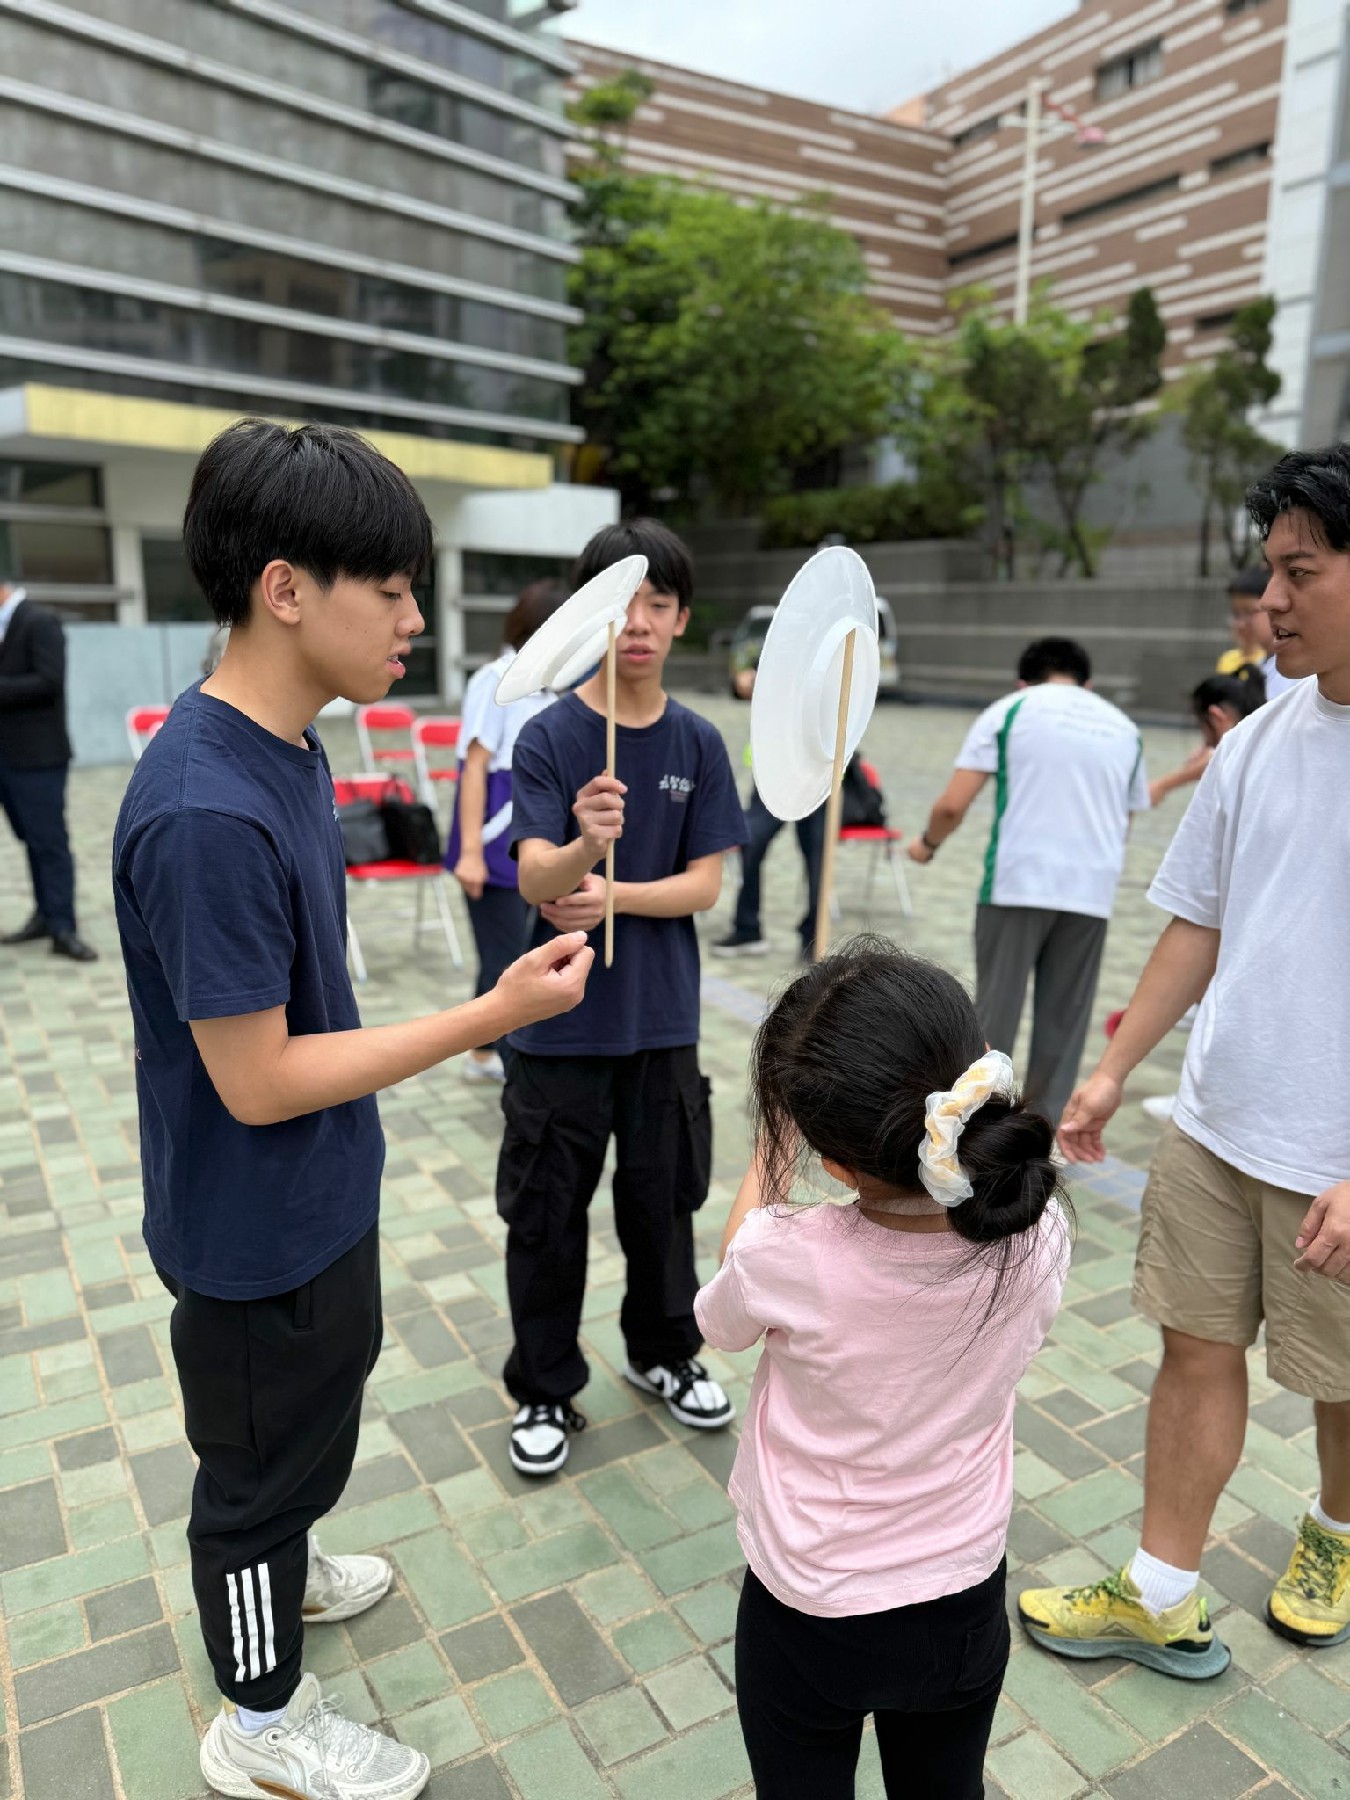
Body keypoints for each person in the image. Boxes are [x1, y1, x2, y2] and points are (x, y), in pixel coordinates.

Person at [113, 420, 592, 1800]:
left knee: (314, 1417)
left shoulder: (290, 748)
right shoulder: (205, 808)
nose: (413, 618)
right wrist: (491, 1015)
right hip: (248, 1228)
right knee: (251, 1477)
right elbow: (256, 1079)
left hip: (317, 1195)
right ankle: (258, 1719)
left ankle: (291, 1562)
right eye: (387, 588)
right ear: (285, 589)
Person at [1021, 442, 1350, 1678]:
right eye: (1270, 572)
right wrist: (1116, 1067)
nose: (1271, 601)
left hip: (1335, 1150)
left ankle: (1337, 1535)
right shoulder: (1259, 739)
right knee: (1193, 1347)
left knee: (1341, 1381)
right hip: (1217, 1120)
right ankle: (1160, 1590)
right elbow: (1198, 922)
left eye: (1301, 573)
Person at [696, 941, 1069, 1799]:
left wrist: (768, 1155)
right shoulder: (1038, 1231)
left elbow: (721, 1320)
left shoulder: (784, 1255)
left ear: (832, 1158)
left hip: (811, 1604)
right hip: (962, 1589)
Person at [497, 518, 746, 1476]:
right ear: (587, 615)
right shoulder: (551, 734)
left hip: (661, 1023)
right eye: (620, 604)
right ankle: (544, 1386)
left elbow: (705, 887)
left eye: (658, 603)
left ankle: (665, 1350)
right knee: (546, 1218)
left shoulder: (698, 741)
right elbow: (534, 878)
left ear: (682, 619)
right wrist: (583, 845)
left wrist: (615, 892)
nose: (637, 623)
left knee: (662, 1206)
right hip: (556, 1026)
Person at [906, 638, 1150, 1127]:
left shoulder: (1010, 710)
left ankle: (974, 1129)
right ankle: (1039, 1135)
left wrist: (927, 845)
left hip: (1016, 883)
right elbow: (1125, 819)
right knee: (1064, 1023)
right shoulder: (1125, 728)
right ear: (1087, 683)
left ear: (1024, 681)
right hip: (1090, 892)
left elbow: (952, 805)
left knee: (992, 1017)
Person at [448, 578, 567, 1084]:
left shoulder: (555, 688)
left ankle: (499, 1052)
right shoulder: (494, 680)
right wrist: (470, 852)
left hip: (538, 838)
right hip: (495, 838)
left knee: (529, 950)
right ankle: (492, 1056)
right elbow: (474, 766)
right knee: (501, 956)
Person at [0, 579, 99, 961]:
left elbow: (49, 681)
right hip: (8, 757)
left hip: (38, 757)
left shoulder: (39, 621)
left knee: (49, 842)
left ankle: (63, 928)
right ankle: (44, 915)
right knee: (30, 839)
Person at [714, 665, 827, 961]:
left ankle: (814, 936)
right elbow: (747, 679)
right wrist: (744, 680)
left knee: (819, 857)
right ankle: (747, 928)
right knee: (750, 841)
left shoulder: (832, 653)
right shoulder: (782, 647)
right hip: (774, 772)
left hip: (819, 774)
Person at [1146, 668, 1266, 810]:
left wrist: (1162, 786)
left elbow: (1216, 758)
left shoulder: (1238, 753)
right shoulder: (1264, 736)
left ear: (1216, 716)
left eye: (1201, 723)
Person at [1218, 564, 1300, 698]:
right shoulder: (1261, 665)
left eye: (1249, 612)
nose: (1241, 623)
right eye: (1236, 614)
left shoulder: (1295, 673)